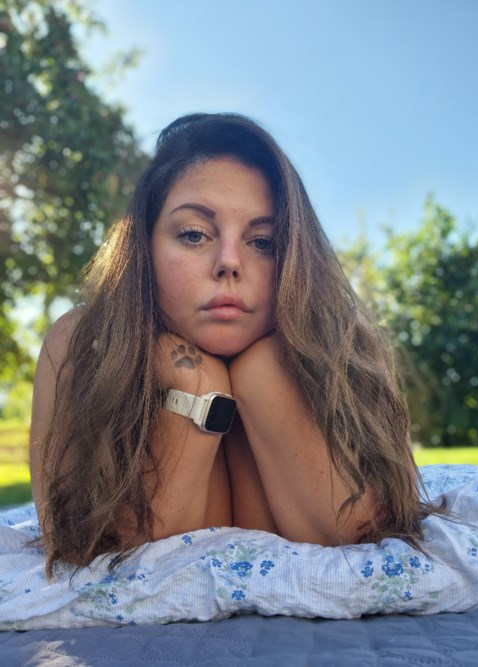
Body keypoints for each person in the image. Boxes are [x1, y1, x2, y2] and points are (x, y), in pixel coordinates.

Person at [30, 112, 434, 576]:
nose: (229, 263)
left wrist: (263, 378)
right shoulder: (83, 342)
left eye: (263, 242)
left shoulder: (338, 339)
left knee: (267, 370)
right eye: (194, 235)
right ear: (144, 247)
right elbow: (84, 552)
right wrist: (193, 389)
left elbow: (373, 541)